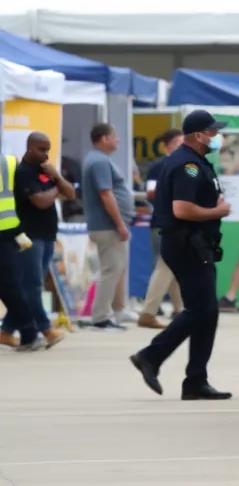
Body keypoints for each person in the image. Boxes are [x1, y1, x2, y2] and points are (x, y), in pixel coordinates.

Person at [128, 110, 232, 400]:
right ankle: (151, 355)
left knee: (207, 311)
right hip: (187, 244)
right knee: (201, 310)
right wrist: (217, 211)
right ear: (198, 135)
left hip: (194, 243)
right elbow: (181, 209)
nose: (216, 137)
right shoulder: (188, 165)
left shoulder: (195, 162)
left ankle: (196, 380)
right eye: (212, 132)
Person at [0, 134, 72, 349]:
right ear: (29, 148)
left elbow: (70, 193)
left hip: (46, 234)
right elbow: (40, 201)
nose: (46, 154)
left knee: (25, 287)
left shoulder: (46, 170)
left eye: (48, 149)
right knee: (30, 286)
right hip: (28, 236)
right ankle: (44, 328)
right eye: (41, 149)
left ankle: (6, 330)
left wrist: (57, 178)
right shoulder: (22, 171)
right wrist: (56, 190)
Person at [82, 123, 137, 329]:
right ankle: (101, 317)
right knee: (111, 270)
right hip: (108, 226)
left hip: (109, 225)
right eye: (115, 136)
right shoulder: (99, 162)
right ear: (104, 138)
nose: (118, 140)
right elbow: (106, 194)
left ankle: (118, 310)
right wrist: (120, 223)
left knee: (117, 269)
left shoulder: (99, 160)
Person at [139, 128, 185, 328]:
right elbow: (150, 193)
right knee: (166, 265)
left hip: (172, 221)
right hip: (166, 222)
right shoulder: (160, 166)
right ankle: (148, 312)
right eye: (180, 142)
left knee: (174, 267)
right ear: (170, 145)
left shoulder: (184, 165)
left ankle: (180, 309)